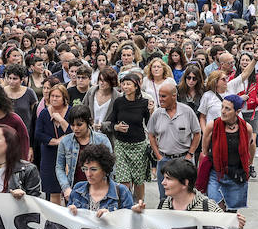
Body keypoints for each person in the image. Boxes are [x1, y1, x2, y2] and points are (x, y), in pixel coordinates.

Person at [147, 82, 201, 199]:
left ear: (174, 96)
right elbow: (151, 135)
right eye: (159, 96)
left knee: (186, 195)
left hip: (183, 160)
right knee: (164, 198)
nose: (160, 99)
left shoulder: (187, 111)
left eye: (163, 96)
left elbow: (197, 133)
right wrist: (158, 156)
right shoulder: (157, 114)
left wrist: (190, 154)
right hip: (164, 160)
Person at [200, 94, 254, 211]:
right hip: (216, 174)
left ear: (237, 111)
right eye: (222, 107)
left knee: (232, 213)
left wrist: (248, 165)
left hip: (236, 175)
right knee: (215, 209)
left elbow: (250, 148)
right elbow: (204, 151)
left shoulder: (246, 128)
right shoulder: (212, 125)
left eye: (227, 108)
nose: (223, 111)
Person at [57, 104, 113, 201]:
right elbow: (59, 167)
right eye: (72, 125)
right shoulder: (65, 142)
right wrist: (66, 188)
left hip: (98, 191)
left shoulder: (102, 140)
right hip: (74, 191)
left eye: (79, 124)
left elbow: (111, 167)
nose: (75, 128)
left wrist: (108, 189)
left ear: (88, 122)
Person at [110, 73, 151, 201]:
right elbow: (112, 122)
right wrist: (116, 127)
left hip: (139, 145)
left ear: (136, 86)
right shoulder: (118, 102)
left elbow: (150, 124)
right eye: (123, 84)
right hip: (121, 145)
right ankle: (125, 206)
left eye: (128, 84)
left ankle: (139, 204)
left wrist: (151, 111)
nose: (125, 86)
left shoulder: (144, 103)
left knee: (138, 181)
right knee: (124, 181)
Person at [35, 83, 71, 204]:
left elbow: (74, 132)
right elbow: (38, 134)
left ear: (64, 98)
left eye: (57, 96)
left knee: (69, 190)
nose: (54, 99)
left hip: (69, 155)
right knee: (53, 190)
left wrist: (61, 120)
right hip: (49, 154)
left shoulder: (71, 112)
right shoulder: (44, 113)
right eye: (52, 96)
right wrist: (56, 142)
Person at [84, 65, 121, 148]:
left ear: (112, 82)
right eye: (100, 79)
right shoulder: (91, 92)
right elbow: (83, 110)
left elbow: (118, 120)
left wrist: (103, 126)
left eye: (105, 80)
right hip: (89, 136)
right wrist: (89, 123)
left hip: (108, 138)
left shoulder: (117, 97)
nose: (102, 82)